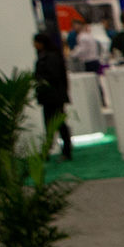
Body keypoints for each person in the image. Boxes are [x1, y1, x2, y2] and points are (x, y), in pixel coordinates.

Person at [32, 32, 72, 160]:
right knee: (52, 124)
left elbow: (54, 75)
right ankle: (51, 150)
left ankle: (65, 150)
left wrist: (40, 79)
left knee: (58, 124)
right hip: (51, 96)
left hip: (53, 96)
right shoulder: (48, 55)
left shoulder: (50, 57)